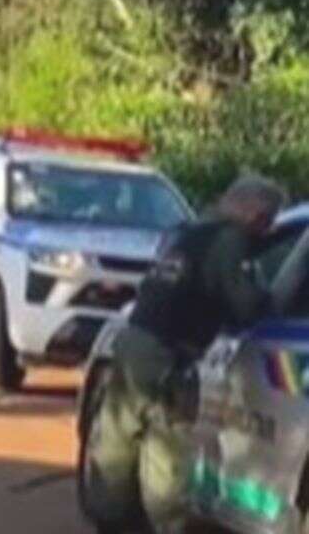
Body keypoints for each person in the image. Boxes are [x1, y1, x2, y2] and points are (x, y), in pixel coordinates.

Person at [84, 175, 302, 532]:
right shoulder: (231, 242)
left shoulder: (192, 234)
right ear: (250, 209)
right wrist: (270, 299)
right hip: (167, 356)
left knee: (117, 442)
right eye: (267, 217)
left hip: (135, 339)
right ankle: (165, 526)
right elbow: (247, 306)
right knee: (166, 453)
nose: (267, 228)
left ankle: (110, 520)